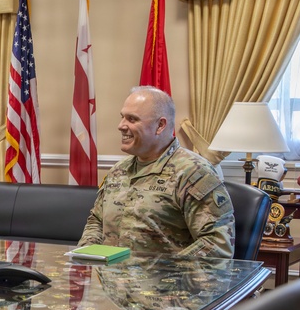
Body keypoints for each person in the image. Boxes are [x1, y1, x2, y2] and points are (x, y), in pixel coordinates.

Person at [78, 86, 235, 257]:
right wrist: (86, 259)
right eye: (122, 117)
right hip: (108, 280)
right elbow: (97, 221)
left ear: (160, 125)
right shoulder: (119, 170)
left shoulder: (194, 173)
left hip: (166, 282)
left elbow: (216, 244)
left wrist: (167, 274)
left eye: (132, 119)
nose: (121, 126)